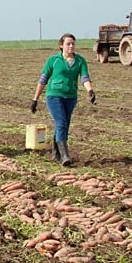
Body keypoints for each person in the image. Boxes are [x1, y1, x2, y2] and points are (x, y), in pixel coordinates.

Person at [31, 33, 95, 167]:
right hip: (54, 96)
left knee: (65, 124)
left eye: (73, 44)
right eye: (68, 44)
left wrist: (90, 90)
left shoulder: (80, 61)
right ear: (61, 45)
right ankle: (65, 155)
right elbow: (43, 80)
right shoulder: (53, 60)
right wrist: (35, 99)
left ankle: (56, 153)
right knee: (61, 123)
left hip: (71, 97)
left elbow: (84, 77)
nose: (71, 46)